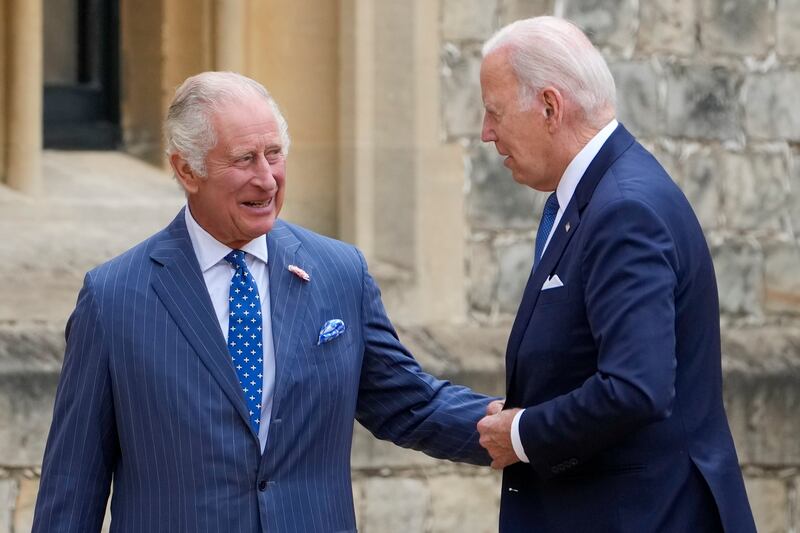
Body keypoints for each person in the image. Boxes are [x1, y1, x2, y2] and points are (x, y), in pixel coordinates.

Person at [32, 71, 491, 533]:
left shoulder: (339, 273)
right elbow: (72, 484)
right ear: (187, 170)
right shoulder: (113, 298)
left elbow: (410, 405)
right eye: (245, 159)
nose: (267, 180)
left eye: (274, 154)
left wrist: (521, 428)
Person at [474, 16, 756, 532]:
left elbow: (635, 387)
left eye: (495, 112)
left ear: (550, 107)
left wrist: (521, 434)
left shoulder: (624, 208)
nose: (485, 133)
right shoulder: (598, 195)